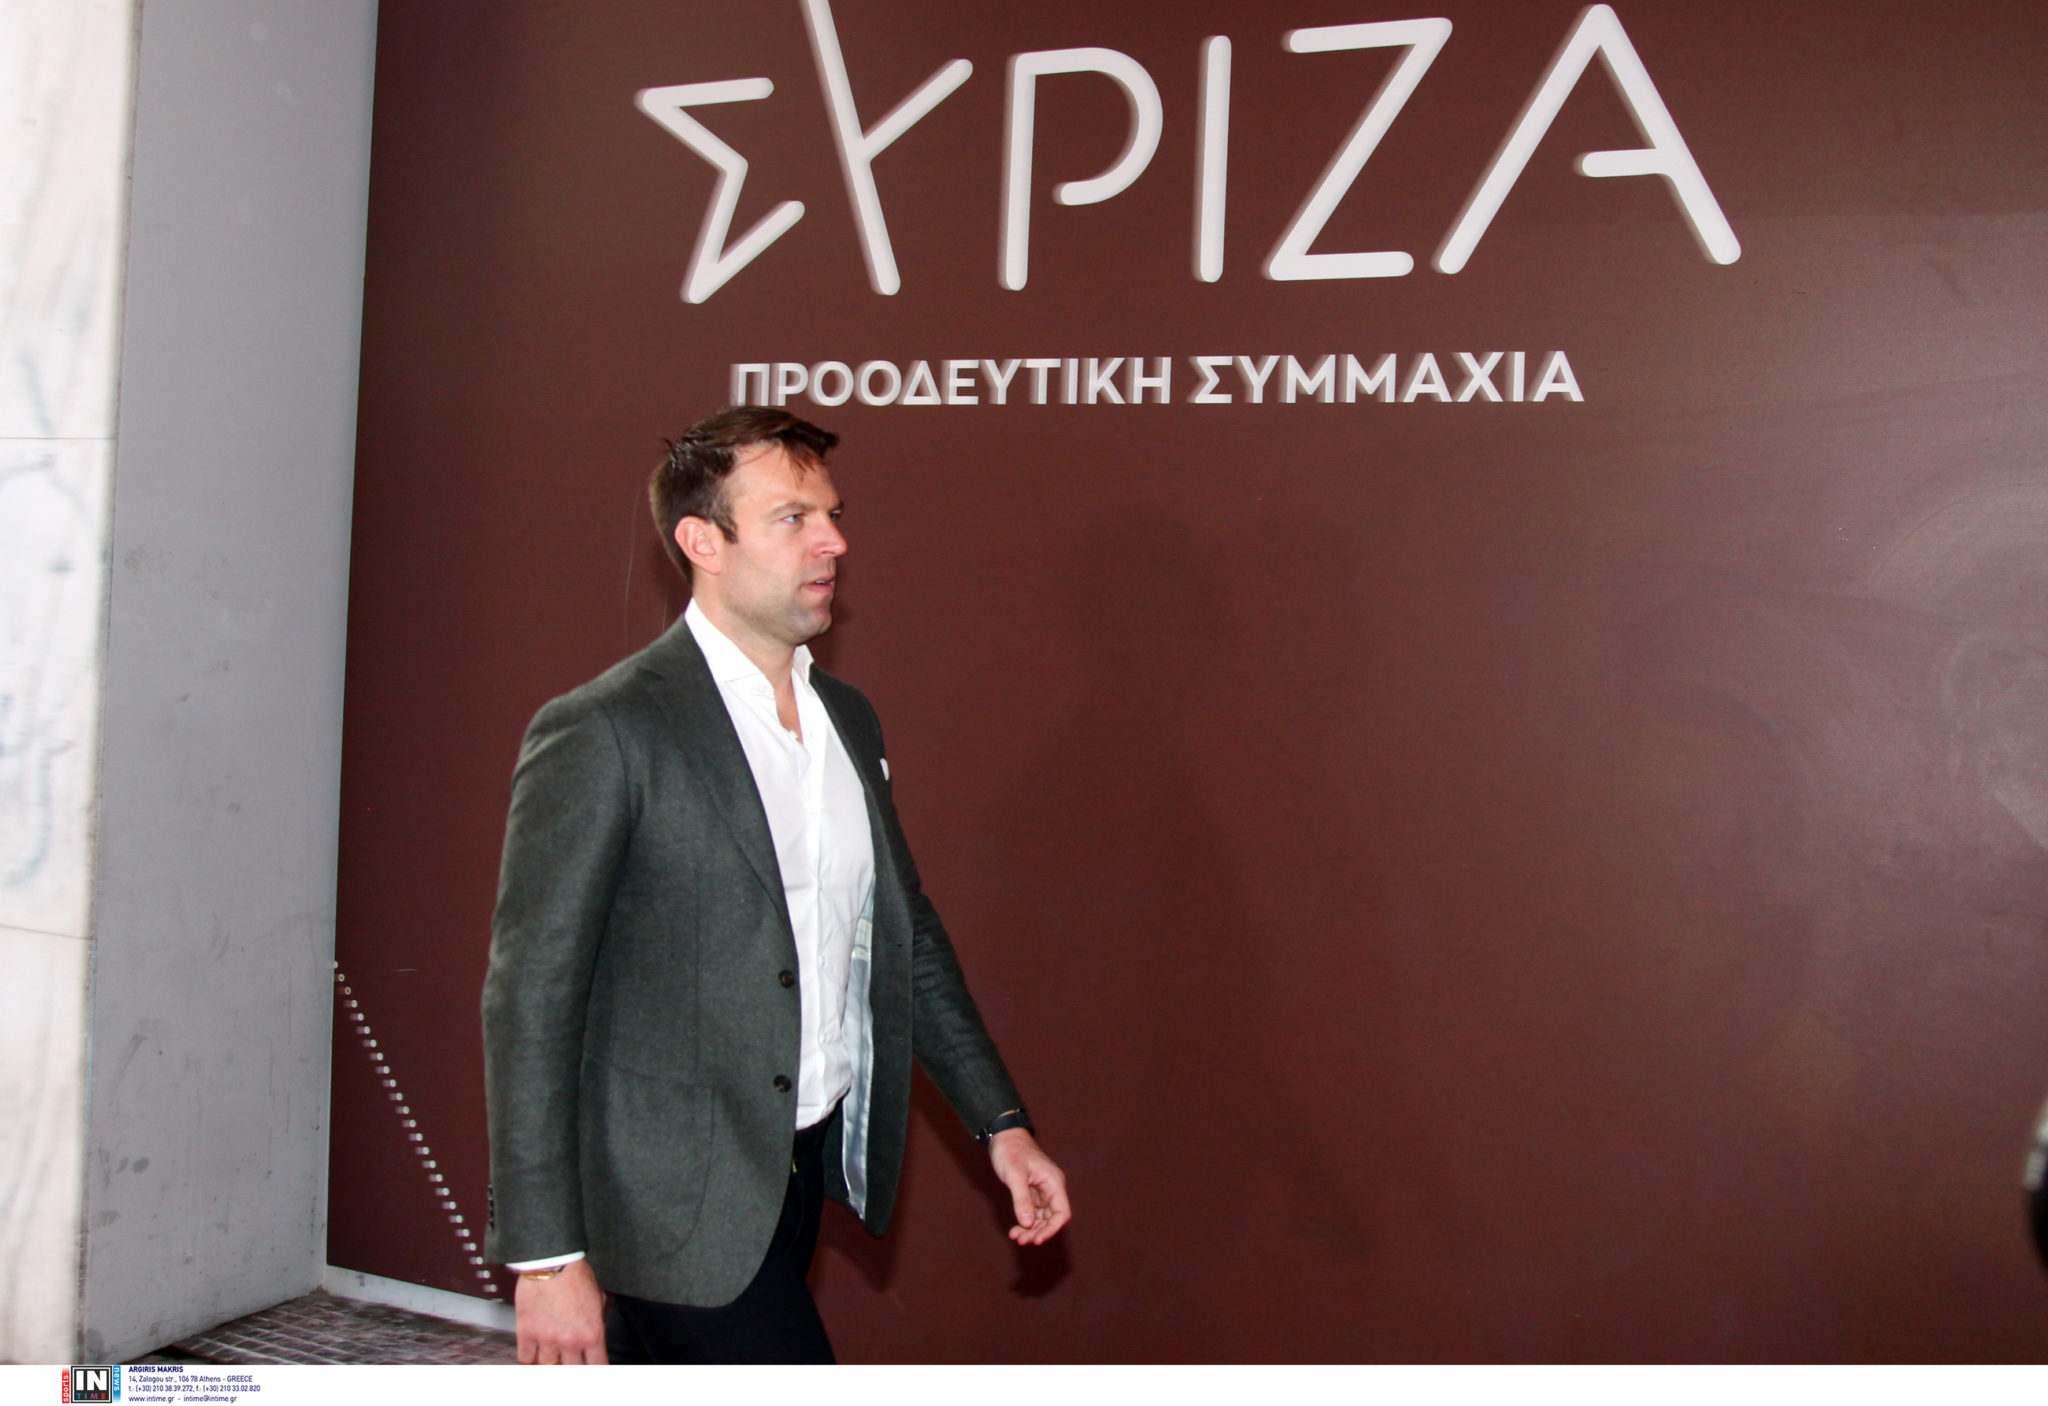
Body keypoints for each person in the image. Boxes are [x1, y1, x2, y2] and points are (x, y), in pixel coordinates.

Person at [480, 407, 1071, 1364]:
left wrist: (1001, 1125)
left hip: (798, 1177)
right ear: (702, 542)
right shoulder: (605, 730)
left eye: (832, 515)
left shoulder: (848, 718)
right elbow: (531, 999)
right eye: (794, 518)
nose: (833, 541)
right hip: (667, 1201)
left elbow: (902, 933)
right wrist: (547, 1257)